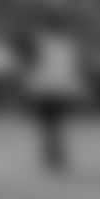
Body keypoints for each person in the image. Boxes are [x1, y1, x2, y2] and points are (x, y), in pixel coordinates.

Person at [26, 18, 82, 177]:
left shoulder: (40, 44)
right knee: (56, 123)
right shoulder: (68, 45)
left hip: (44, 88)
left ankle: (52, 155)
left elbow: (34, 65)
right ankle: (57, 155)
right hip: (63, 88)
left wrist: (29, 85)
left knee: (47, 124)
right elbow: (73, 67)